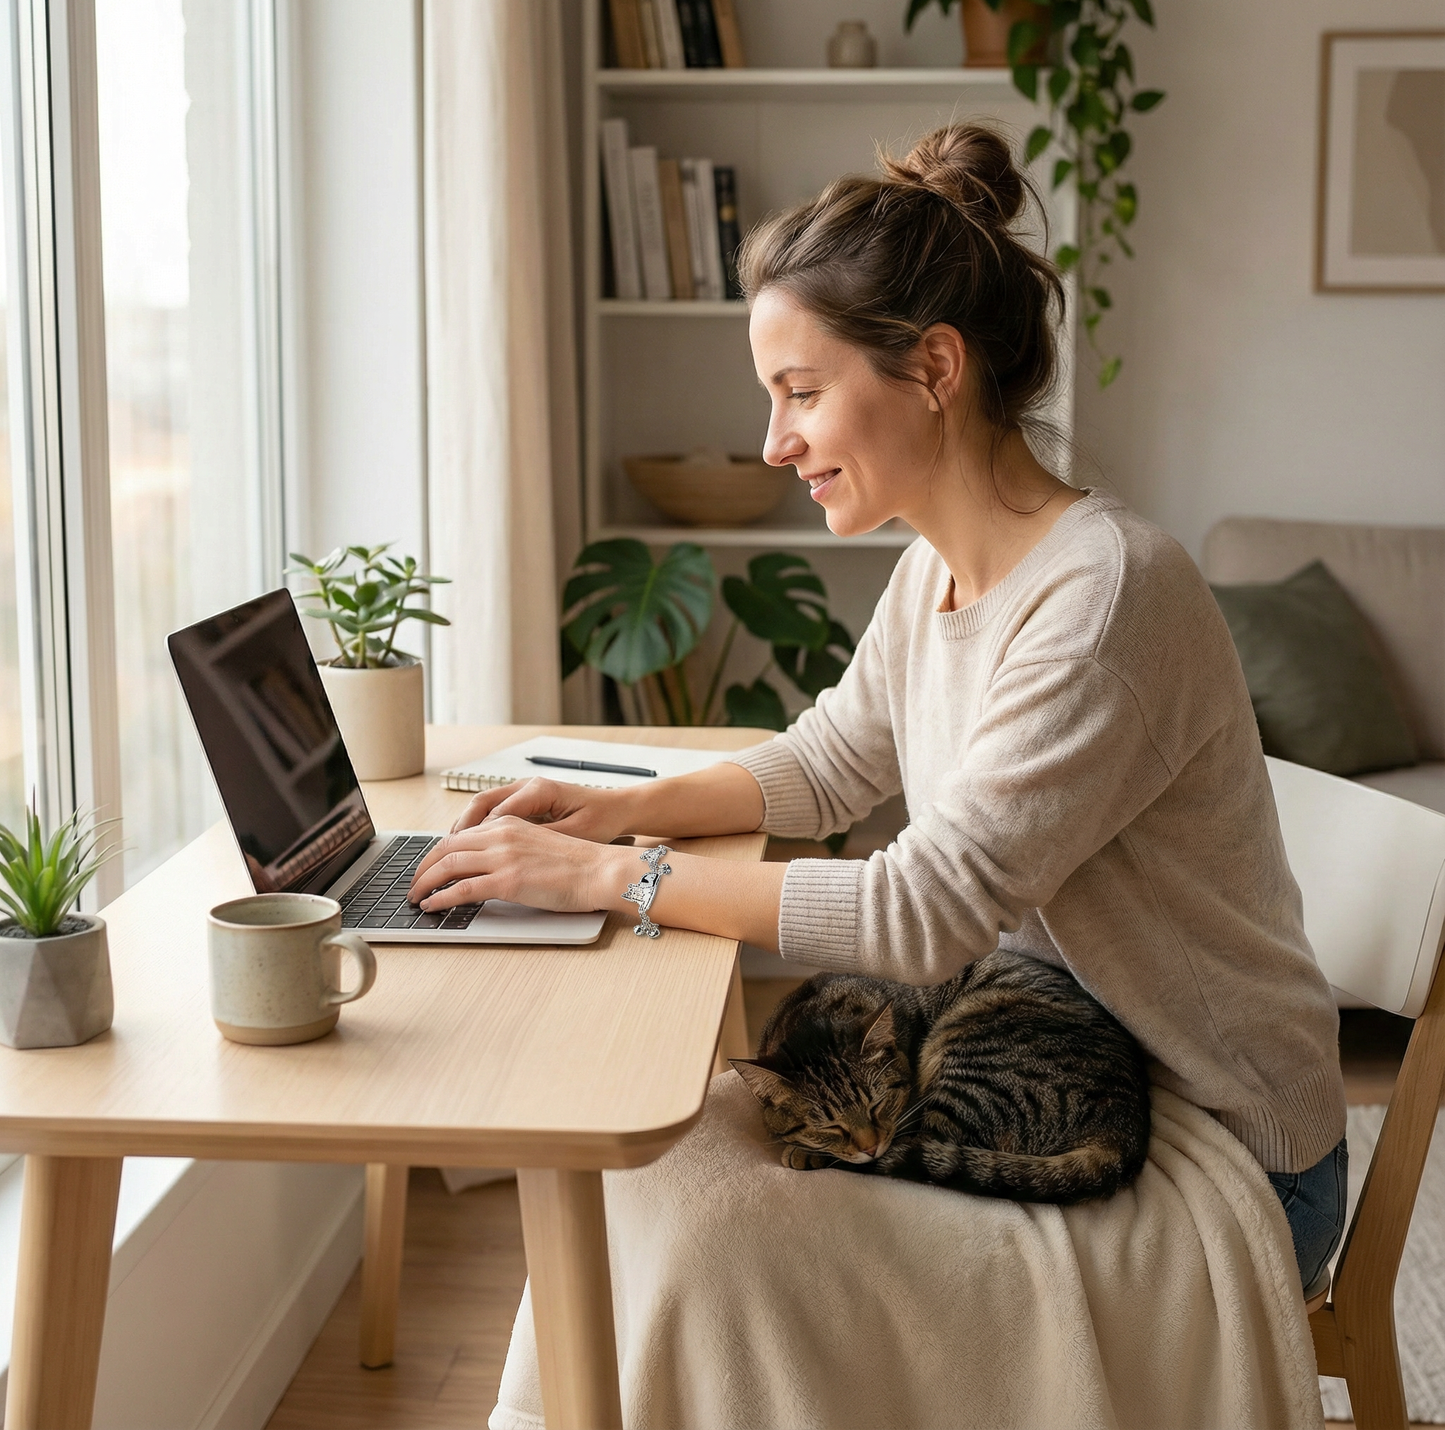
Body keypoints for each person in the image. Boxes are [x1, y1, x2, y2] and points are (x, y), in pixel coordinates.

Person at [408, 123, 1347, 1290]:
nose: (770, 442)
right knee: (658, 1200)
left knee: (711, 1249)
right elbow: (827, 761)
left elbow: (919, 915)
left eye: (800, 391)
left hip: (1223, 1137)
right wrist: (611, 811)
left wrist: (616, 882)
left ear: (935, 369)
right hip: (1063, 1057)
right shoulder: (936, 570)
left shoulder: (1103, 598)